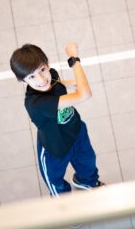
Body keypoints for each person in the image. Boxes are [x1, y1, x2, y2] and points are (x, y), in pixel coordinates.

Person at [10, 43, 104, 196]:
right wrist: (74, 59)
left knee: (88, 164)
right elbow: (85, 94)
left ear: (48, 64)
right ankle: (65, 208)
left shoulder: (51, 75)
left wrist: (72, 83)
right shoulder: (36, 104)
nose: (41, 80)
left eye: (42, 69)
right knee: (56, 183)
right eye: (32, 77)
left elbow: (55, 82)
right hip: (55, 148)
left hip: (77, 132)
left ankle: (87, 182)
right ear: (23, 81)